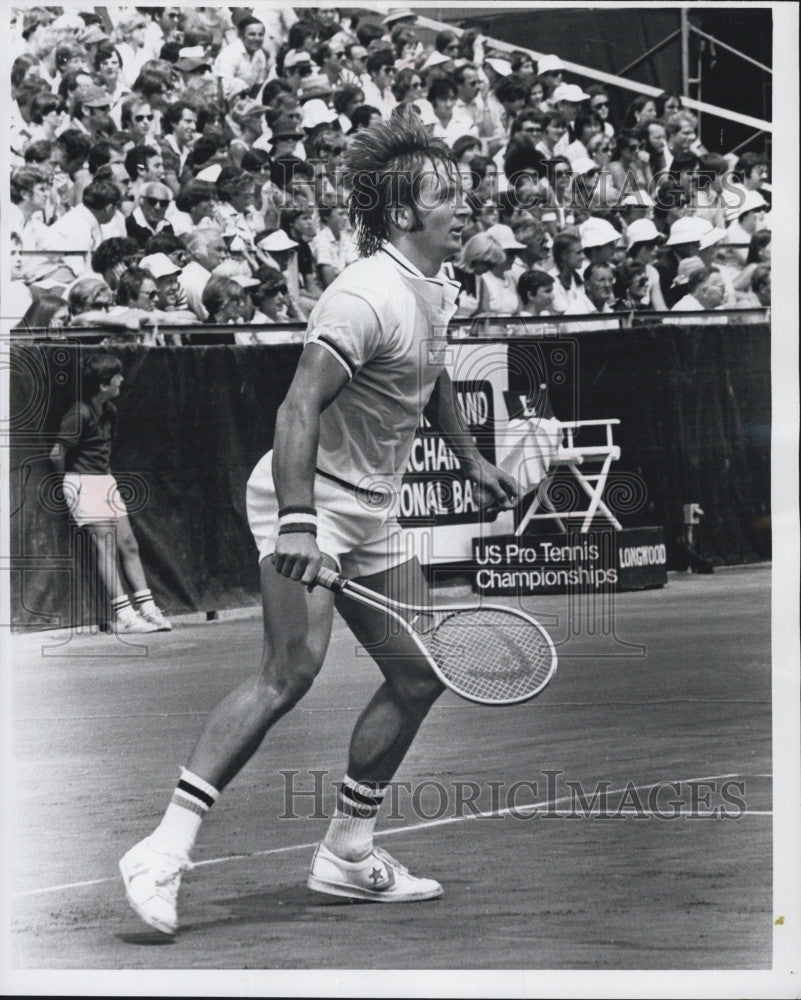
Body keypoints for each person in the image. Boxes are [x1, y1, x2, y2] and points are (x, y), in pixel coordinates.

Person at [119, 112, 518, 935]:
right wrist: (299, 525)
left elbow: (432, 372)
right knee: (289, 671)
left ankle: (346, 853)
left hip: (370, 510)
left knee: (417, 674)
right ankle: (161, 850)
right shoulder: (363, 293)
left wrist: (471, 458)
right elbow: (297, 406)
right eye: (447, 195)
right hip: (304, 499)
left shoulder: (439, 287)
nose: (465, 205)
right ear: (405, 213)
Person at [50, 354, 171, 634]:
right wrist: (67, 486)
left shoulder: (110, 410)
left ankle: (148, 609)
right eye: (117, 375)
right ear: (104, 384)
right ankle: (125, 615)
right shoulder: (78, 414)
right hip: (81, 483)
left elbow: (101, 451)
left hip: (105, 481)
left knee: (128, 544)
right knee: (105, 547)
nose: (122, 379)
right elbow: (57, 454)